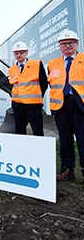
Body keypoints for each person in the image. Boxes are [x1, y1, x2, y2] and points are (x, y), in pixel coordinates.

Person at [48, 30, 84, 181]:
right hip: (61, 106)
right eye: (64, 43)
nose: (67, 46)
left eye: (71, 43)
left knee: (83, 139)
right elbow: (50, 84)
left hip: (80, 105)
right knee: (65, 139)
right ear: (59, 46)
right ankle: (67, 170)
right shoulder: (52, 64)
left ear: (77, 44)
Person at [8, 41, 48, 136]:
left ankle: (39, 150)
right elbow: (13, 86)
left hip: (33, 105)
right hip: (18, 105)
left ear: (26, 53)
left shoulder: (36, 64)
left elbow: (44, 83)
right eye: (16, 53)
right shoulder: (12, 69)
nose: (19, 55)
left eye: (21, 52)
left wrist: (37, 96)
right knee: (20, 132)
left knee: (37, 131)